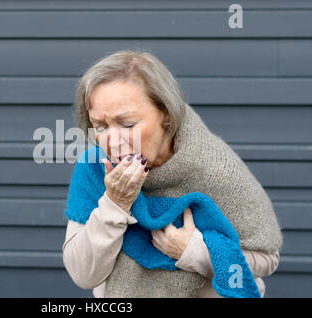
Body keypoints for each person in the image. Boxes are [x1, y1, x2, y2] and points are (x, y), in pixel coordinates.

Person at [62, 49, 283, 297]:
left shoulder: (215, 168)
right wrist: (115, 204)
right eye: (101, 126)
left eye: (127, 124)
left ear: (166, 114)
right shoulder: (94, 169)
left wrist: (194, 252)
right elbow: (83, 274)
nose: (112, 142)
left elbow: (267, 258)